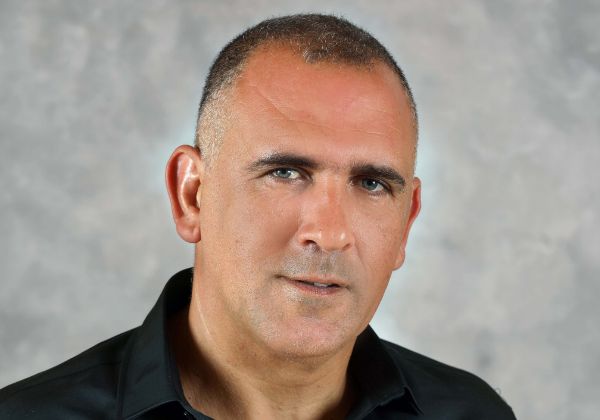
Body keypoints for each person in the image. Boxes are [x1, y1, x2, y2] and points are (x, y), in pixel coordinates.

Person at [0, 14, 516, 420]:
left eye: (371, 184)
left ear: (406, 224)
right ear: (191, 195)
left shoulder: (471, 413)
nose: (329, 233)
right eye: (285, 173)